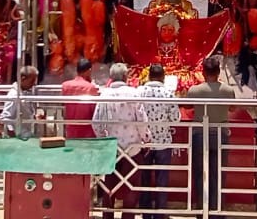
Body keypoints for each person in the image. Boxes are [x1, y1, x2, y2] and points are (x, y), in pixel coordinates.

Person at [92, 63, 150, 219]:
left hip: (112, 148)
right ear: (126, 77)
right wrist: (146, 138)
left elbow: (96, 121)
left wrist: (103, 139)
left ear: (111, 77)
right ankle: (128, 216)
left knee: (108, 184)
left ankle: (108, 215)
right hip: (133, 148)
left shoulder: (105, 94)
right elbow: (141, 121)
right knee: (132, 186)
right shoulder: (134, 93)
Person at [186, 57, 235, 219]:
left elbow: (186, 106)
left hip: (200, 135)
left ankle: (202, 211)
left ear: (203, 72)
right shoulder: (228, 90)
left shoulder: (195, 90)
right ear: (219, 72)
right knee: (219, 174)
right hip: (220, 135)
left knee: (201, 174)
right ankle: (218, 212)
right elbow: (233, 108)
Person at [136, 64, 181, 219]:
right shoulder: (168, 93)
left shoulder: (139, 92)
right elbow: (176, 118)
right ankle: (160, 213)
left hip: (144, 142)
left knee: (145, 178)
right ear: (163, 77)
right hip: (163, 142)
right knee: (162, 179)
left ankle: (146, 213)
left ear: (148, 76)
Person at [0, 66, 43, 138]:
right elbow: (5, 117)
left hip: (28, 134)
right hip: (20, 136)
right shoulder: (14, 95)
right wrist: (13, 136)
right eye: (32, 81)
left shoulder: (26, 92)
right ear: (23, 79)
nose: (34, 84)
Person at [61, 58, 99, 139]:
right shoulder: (90, 87)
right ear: (89, 70)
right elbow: (95, 110)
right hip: (87, 130)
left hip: (71, 129)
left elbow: (63, 105)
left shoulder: (65, 85)